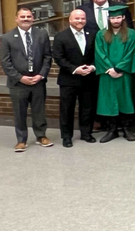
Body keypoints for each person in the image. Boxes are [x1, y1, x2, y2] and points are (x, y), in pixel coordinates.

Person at [1, 8, 54, 152]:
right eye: (22, 16)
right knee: (20, 112)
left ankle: (41, 136)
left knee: (39, 111)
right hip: (18, 83)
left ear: (33, 18)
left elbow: (47, 57)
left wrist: (41, 75)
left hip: (38, 81)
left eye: (28, 16)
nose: (26, 19)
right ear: (16, 19)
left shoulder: (42, 35)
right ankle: (21, 140)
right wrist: (20, 78)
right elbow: (6, 62)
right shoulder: (7, 38)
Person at [52, 9, 97, 147]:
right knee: (67, 109)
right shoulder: (61, 36)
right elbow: (58, 57)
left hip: (88, 78)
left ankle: (86, 133)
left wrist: (93, 67)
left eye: (83, 18)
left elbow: (98, 53)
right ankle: (66, 136)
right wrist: (74, 69)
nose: (80, 21)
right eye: (77, 18)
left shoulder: (93, 34)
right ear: (70, 20)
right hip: (68, 79)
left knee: (87, 107)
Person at [95, 5, 135, 143]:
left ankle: (126, 129)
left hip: (124, 74)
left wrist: (119, 69)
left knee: (125, 99)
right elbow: (99, 53)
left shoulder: (131, 33)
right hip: (107, 74)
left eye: (118, 17)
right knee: (109, 100)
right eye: (113, 17)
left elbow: (131, 53)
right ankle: (112, 130)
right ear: (109, 18)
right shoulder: (101, 34)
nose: (115, 20)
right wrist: (110, 69)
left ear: (123, 18)